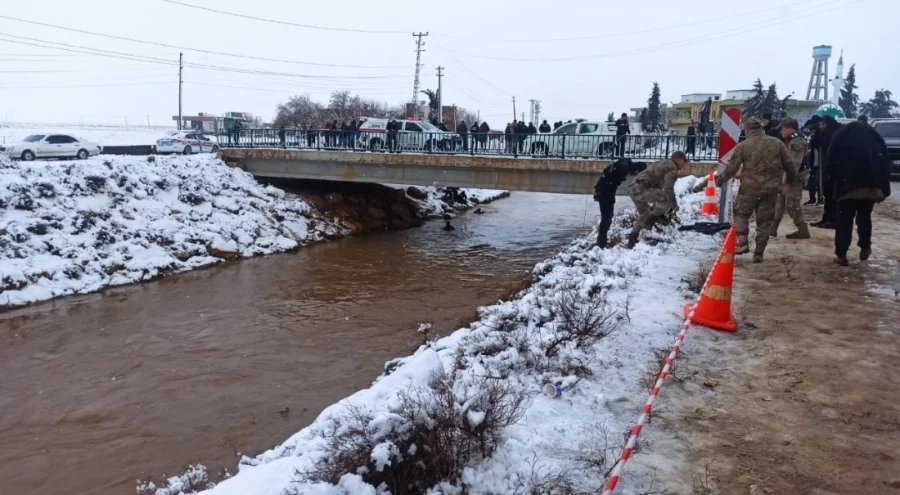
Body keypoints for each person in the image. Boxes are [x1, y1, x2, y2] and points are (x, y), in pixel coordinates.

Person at [715, 118, 798, 262]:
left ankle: (742, 242)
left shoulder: (743, 146)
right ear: (761, 128)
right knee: (765, 221)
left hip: (749, 188)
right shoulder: (777, 143)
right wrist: (790, 179)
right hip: (771, 190)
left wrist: (720, 179)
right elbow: (789, 164)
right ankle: (759, 252)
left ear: (747, 130)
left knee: (741, 214)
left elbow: (732, 168)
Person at [825, 121, 891, 266]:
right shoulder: (873, 138)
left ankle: (841, 254)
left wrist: (830, 181)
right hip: (869, 188)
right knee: (864, 218)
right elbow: (884, 162)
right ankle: (865, 247)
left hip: (846, 187)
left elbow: (831, 160)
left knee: (844, 221)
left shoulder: (841, 137)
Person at [626, 151, 687, 248]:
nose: (684, 165)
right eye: (684, 162)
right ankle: (654, 218)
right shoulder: (672, 168)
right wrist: (674, 205)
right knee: (666, 199)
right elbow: (668, 189)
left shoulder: (662, 163)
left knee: (645, 214)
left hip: (632, 188)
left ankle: (633, 238)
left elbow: (658, 185)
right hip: (642, 188)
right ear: (679, 160)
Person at [771, 117, 811, 239]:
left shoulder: (797, 142)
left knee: (792, 205)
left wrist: (786, 177)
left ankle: (803, 230)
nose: (780, 131)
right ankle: (772, 229)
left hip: (794, 178)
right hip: (786, 176)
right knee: (779, 203)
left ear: (789, 128)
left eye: (782, 128)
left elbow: (794, 164)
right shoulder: (790, 140)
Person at [594, 158, 645, 248]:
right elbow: (612, 180)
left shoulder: (625, 163)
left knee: (607, 217)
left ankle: (601, 241)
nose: (634, 175)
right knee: (606, 218)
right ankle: (600, 243)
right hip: (605, 192)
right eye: (637, 173)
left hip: (605, 191)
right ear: (637, 170)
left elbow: (608, 174)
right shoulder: (623, 167)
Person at [810, 116, 843, 228]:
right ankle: (827, 217)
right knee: (827, 194)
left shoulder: (835, 134)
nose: (821, 127)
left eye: (824, 124)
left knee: (833, 195)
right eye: (820, 124)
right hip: (825, 167)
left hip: (835, 169)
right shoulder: (821, 134)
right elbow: (814, 144)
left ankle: (834, 219)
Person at [804, 116, 823, 205]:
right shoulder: (812, 136)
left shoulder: (821, 135)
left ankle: (820, 198)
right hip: (813, 160)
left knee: (818, 181)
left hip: (819, 161)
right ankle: (813, 198)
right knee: (812, 181)